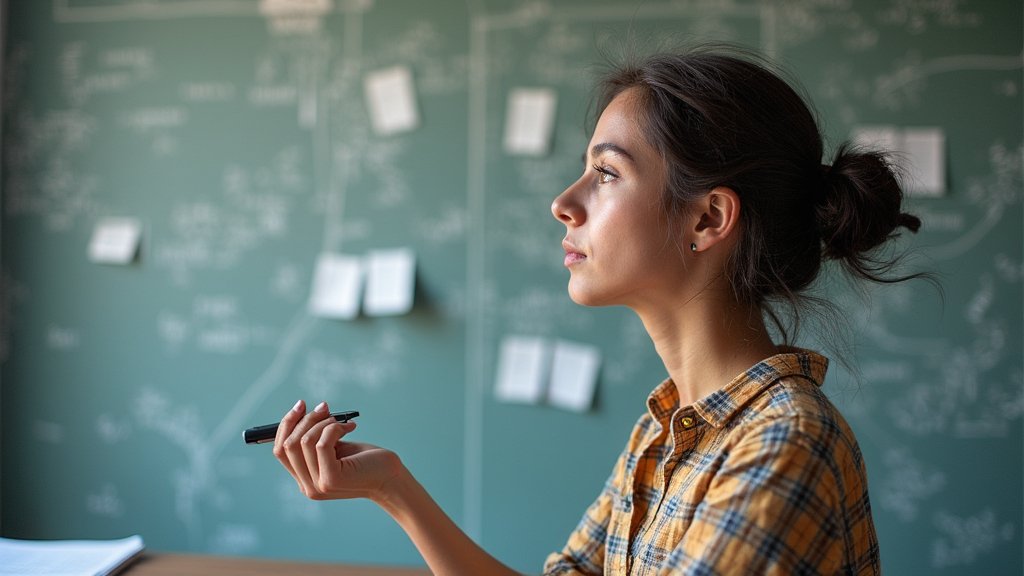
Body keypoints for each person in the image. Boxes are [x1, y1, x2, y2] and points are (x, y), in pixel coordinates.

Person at [272, 46, 925, 575]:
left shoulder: (783, 446)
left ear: (707, 218)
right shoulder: (669, 431)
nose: (564, 201)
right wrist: (393, 488)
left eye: (606, 173)